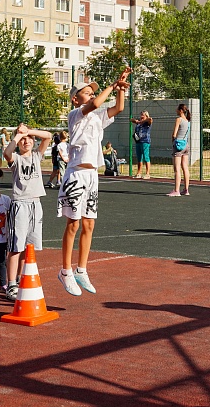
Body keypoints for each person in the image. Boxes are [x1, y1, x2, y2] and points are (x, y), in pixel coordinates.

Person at [58, 69, 131, 296]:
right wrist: (112, 85)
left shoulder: (97, 117)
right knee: (73, 224)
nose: (91, 94)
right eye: (87, 92)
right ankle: (65, 271)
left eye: (92, 92)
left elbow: (118, 108)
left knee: (89, 224)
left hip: (91, 176)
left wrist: (121, 89)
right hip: (76, 174)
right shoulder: (76, 114)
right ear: (75, 99)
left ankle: (81, 270)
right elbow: (95, 103)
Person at [3, 123, 52, 300]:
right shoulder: (16, 158)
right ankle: (11, 284)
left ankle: (21, 278)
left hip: (35, 204)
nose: (26, 141)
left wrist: (28, 131)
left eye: (29, 139)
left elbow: (48, 136)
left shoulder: (37, 155)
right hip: (20, 205)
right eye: (22, 139)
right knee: (16, 246)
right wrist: (18, 135)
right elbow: (7, 153)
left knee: (28, 246)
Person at [169, 103, 192, 197]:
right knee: (185, 167)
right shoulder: (188, 121)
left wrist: (173, 140)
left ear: (181, 110)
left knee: (177, 169)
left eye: (177, 109)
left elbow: (174, 134)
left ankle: (176, 190)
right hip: (186, 144)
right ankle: (186, 189)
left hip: (178, 145)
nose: (176, 110)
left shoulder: (179, 119)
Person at [130, 111, 153, 179]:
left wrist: (142, 121)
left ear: (146, 116)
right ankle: (139, 173)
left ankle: (147, 173)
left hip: (145, 141)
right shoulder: (139, 123)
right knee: (139, 157)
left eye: (143, 115)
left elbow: (150, 119)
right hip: (138, 141)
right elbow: (131, 120)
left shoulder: (147, 122)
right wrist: (137, 121)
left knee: (146, 157)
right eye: (141, 115)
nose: (141, 116)